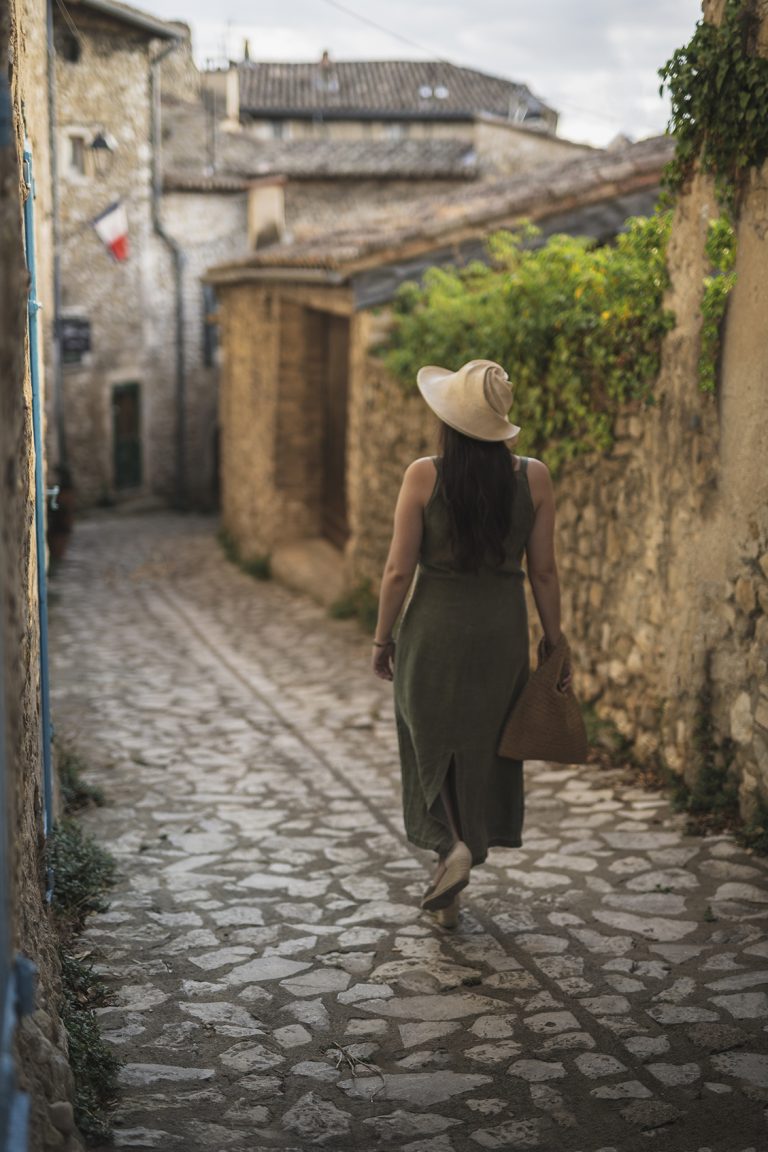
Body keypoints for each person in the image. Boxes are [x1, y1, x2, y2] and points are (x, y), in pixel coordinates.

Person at [371, 359, 569, 929]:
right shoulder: (534, 477)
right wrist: (554, 645)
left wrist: (383, 638)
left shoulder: (422, 475)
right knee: (479, 747)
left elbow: (395, 572)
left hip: (432, 631)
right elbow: (546, 572)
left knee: (431, 744)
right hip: (500, 634)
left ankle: (450, 847)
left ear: (447, 419)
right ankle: (452, 883)